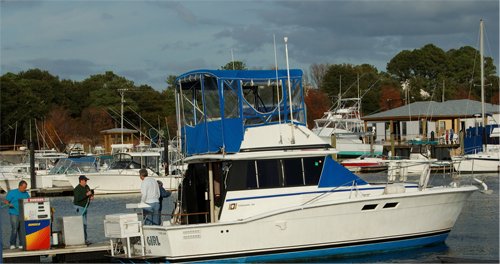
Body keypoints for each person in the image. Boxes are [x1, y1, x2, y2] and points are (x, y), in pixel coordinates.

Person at [4, 180, 30, 249]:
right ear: (20, 186)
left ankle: (21, 244)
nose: (25, 189)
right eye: (24, 188)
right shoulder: (12, 193)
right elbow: (6, 201)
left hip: (23, 214)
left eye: (25, 188)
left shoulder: (26, 194)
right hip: (14, 213)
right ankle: (12, 244)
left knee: (22, 229)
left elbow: (29, 201)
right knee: (15, 228)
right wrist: (9, 204)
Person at [73, 175, 93, 244]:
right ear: (81, 181)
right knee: (82, 224)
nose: (86, 182)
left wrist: (91, 196)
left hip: (85, 207)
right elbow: (78, 199)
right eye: (85, 180)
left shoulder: (87, 187)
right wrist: (87, 195)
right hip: (79, 207)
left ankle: (85, 239)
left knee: (85, 224)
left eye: (86, 180)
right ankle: (82, 240)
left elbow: (90, 193)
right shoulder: (77, 189)